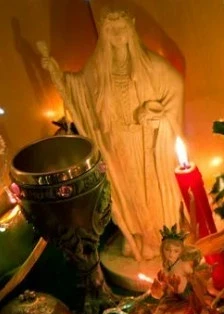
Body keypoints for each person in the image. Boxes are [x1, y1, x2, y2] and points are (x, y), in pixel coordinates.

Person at [40, 8, 182, 261]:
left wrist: (159, 116)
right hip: (117, 141)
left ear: (132, 27)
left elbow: (175, 87)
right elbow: (79, 89)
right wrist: (57, 75)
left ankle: (161, 234)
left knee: (151, 187)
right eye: (110, 29)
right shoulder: (98, 69)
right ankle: (140, 233)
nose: (117, 34)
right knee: (129, 189)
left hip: (146, 141)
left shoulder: (151, 66)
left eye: (121, 28)